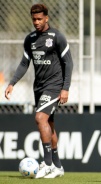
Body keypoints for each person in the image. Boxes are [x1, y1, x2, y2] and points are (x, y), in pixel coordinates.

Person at [4, 4, 73, 179]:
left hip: (54, 85)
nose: (36, 22)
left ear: (46, 18)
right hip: (39, 87)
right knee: (49, 125)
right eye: (34, 19)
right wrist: (12, 83)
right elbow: (24, 63)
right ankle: (58, 166)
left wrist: (65, 88)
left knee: (39, 118)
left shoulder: (57, 37)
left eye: (39, 19)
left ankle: (47, 163)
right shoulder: (30, 39)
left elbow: (68, 63)